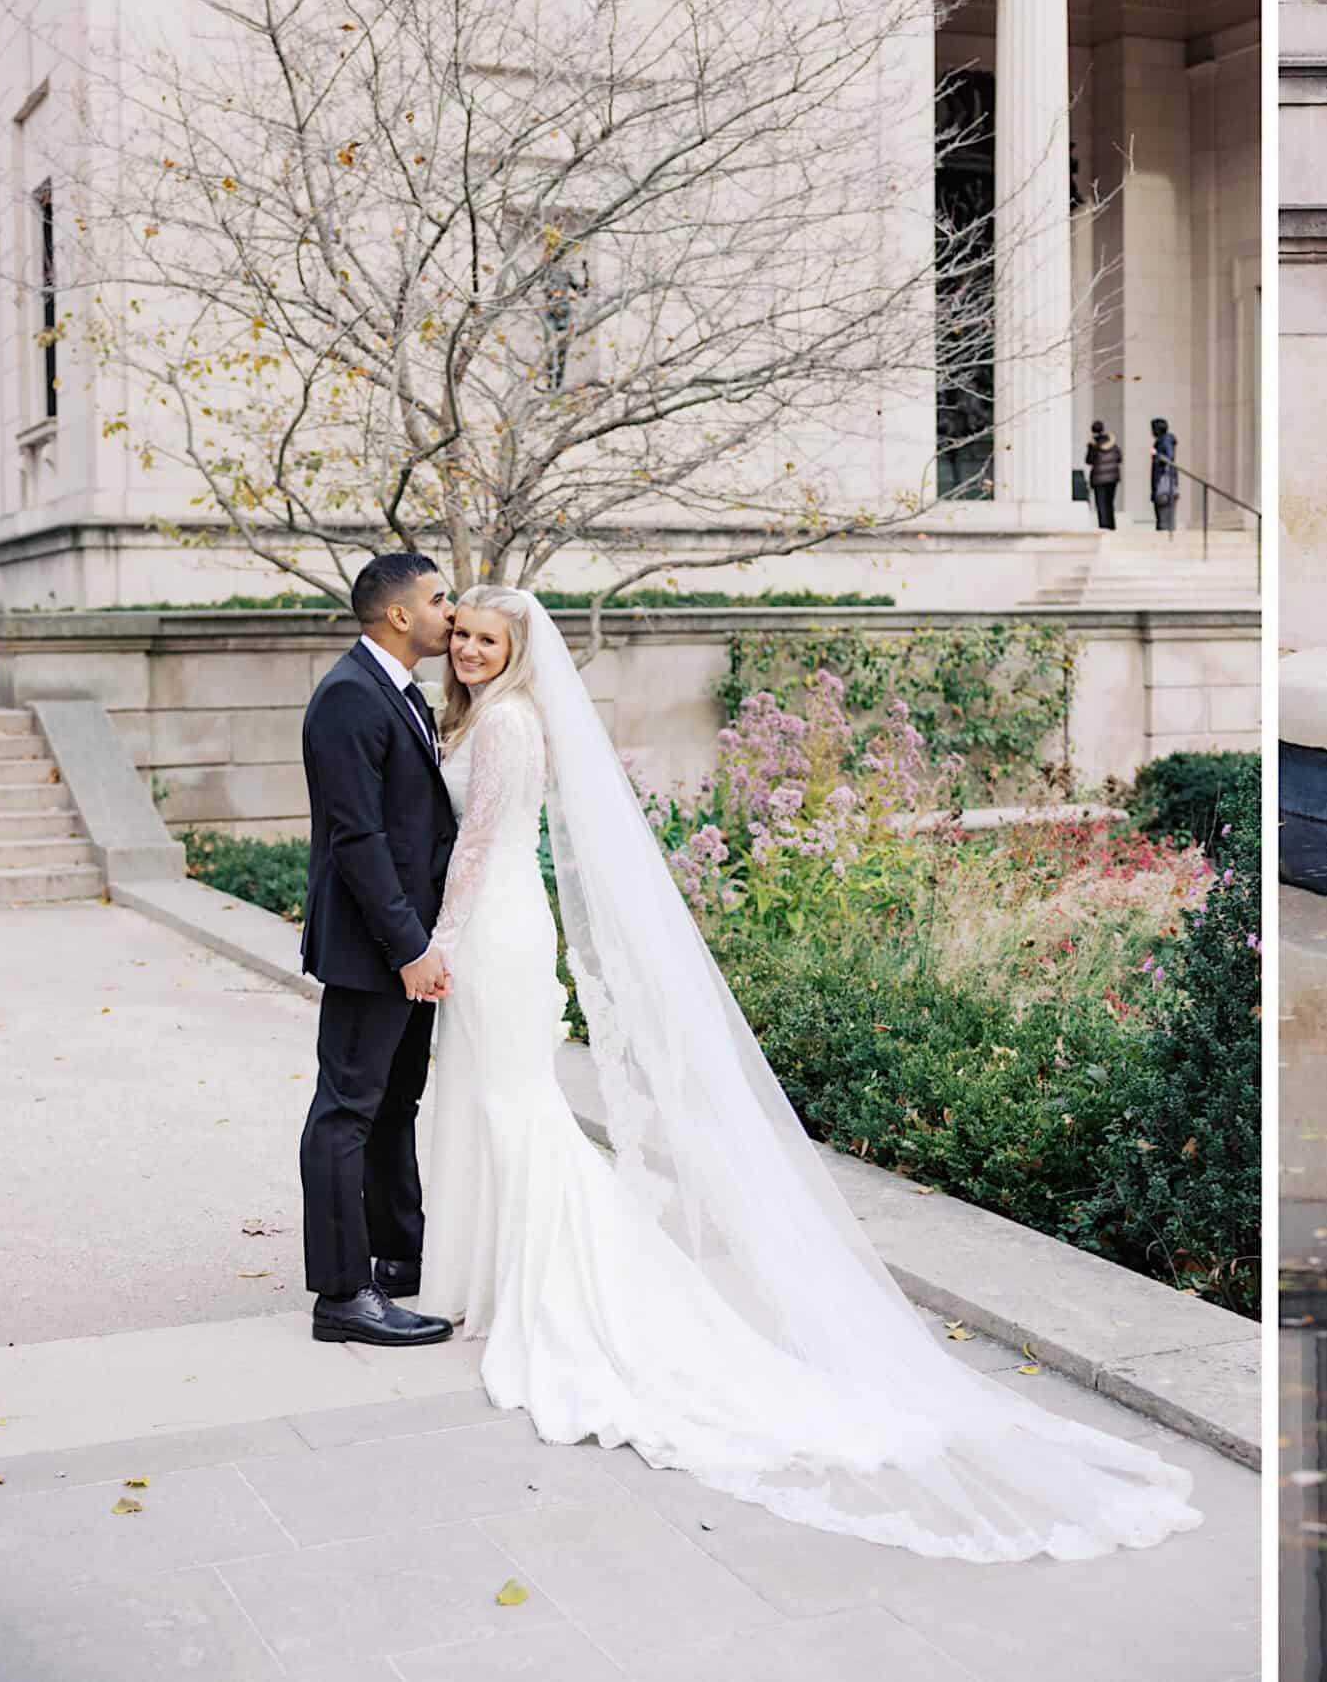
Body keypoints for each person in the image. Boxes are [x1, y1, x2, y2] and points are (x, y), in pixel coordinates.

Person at [400, 584, 1202, 1560]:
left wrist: (436, 939)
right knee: (495, 1100)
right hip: (487, 929)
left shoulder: (512, 722)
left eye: (489, 638)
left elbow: (479, 842)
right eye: (465, 635)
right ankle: (491, 1273)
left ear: (519, 651)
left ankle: (558, 1284)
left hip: (491, 929)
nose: (473, 648)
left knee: (511, 1101)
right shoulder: (473, 711)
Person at [297, 553, 460, 1347]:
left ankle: (397, 1256)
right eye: (438, 599)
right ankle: (342, 1294)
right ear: (399, 615)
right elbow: (357, 840)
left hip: (410, 944)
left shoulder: (403, 694)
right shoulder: (348, 699)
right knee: (346, 1113)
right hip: (374, 948)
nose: (450, 612)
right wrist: (407, 947)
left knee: (397, 1104)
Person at [1084, 419, 1123, 529]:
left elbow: (1088, 460)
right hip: (1112, 478)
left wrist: (1090, 447)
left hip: (1099, 478)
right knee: (1109, 502)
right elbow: (1119, 458)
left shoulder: (1094, 445)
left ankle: (1104, 525)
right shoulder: (1113, 444)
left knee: (1101, 503)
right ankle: (1111, 525)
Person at [1149, 415, 1180, 534]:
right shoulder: (1164, 440)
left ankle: (1165, 533)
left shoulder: (1164, 440)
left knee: (1164, 513)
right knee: (1165, 514)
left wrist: (1156, 454)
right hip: (1165, 480)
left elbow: (1169, 457)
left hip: (1164, 481)